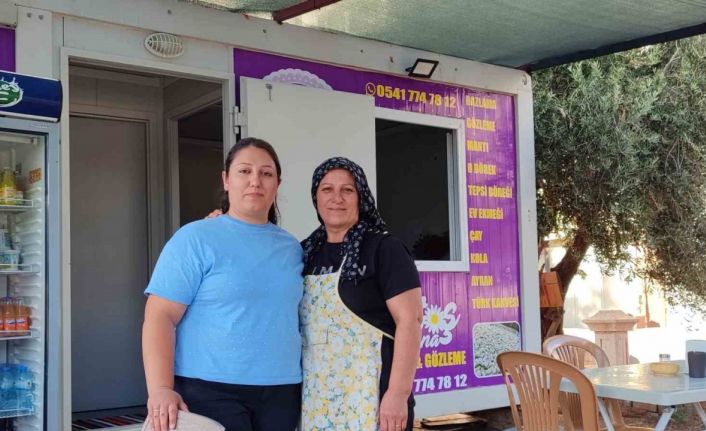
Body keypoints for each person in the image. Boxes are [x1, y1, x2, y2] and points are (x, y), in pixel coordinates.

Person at [142, 138, 303, 431]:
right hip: (209, 392)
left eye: (266, 173)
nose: (255, 181)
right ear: (226, 180)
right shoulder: (194, 238)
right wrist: (160, 388)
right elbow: (160, 316)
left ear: (277, 184)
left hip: (282, 392)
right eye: (245, 171)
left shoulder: (293, 249)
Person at [299, 157, 423, 431]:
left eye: (348, 190)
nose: (337, 198)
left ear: (361, 198)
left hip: (373, 400)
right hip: (317, 401)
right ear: (316, 198)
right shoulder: (304, 252)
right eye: (327, 189)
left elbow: (410, 320)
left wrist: (398, 394)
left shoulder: (384, 249)